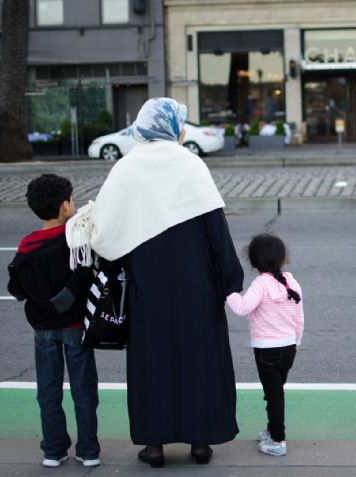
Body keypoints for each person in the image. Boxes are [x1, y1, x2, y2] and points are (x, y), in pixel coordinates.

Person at [65, 97, 244, 468]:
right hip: (198, 286)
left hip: (147, 286)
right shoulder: (191, 164)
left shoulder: (126, 168)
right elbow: (216, 230)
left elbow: (106, 235)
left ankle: (155, 445)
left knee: (152, 363)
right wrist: (230, 280)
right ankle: (200, 442)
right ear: (173, 127)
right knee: (201, 361)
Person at [7, 174, 99, 469]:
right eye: (72, 199)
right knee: (84, 390)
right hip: (76, 326)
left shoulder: (27, 245)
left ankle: (53, 450)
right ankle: (88, 450)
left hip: (42, 329)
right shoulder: (76, 241)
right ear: (65, 206)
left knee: (48, 390)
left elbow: (16, 289)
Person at [225, 233, 304, 457]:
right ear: (283, 258)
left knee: (274, 395)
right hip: (289, 348)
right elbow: (299, 317)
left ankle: (278, 440)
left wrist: (227, 292)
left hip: (266, 350)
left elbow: (242, 308)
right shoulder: (292, 281)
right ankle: (271, 430)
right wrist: (297, 341)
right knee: (275, 393)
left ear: (253, 262)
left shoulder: (260, 284)